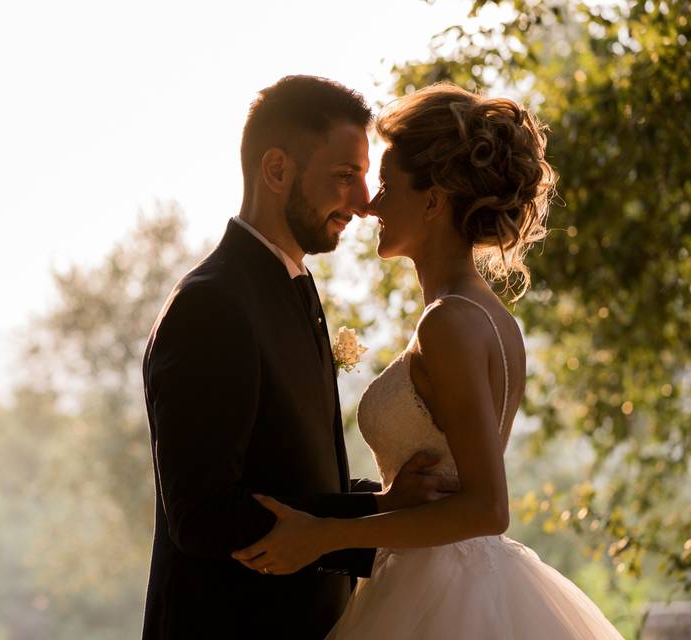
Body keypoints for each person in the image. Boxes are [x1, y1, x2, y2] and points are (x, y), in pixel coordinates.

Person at [232, 83, 625, 639]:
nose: (369, 204)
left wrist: (323, 535)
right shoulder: (494, 318)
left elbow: (487, 508)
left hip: (437, 596)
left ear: (435, 201)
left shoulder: (447, 324)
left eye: (388, 185)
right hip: (453, 582)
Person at [141, 76, 457, 640]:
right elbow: (204, 514)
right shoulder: (211, 305)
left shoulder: (298, 288)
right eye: (344, 177)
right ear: (277, 170)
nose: (363, 202)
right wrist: (369, 520)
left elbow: (291, 472)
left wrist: (387, 503)